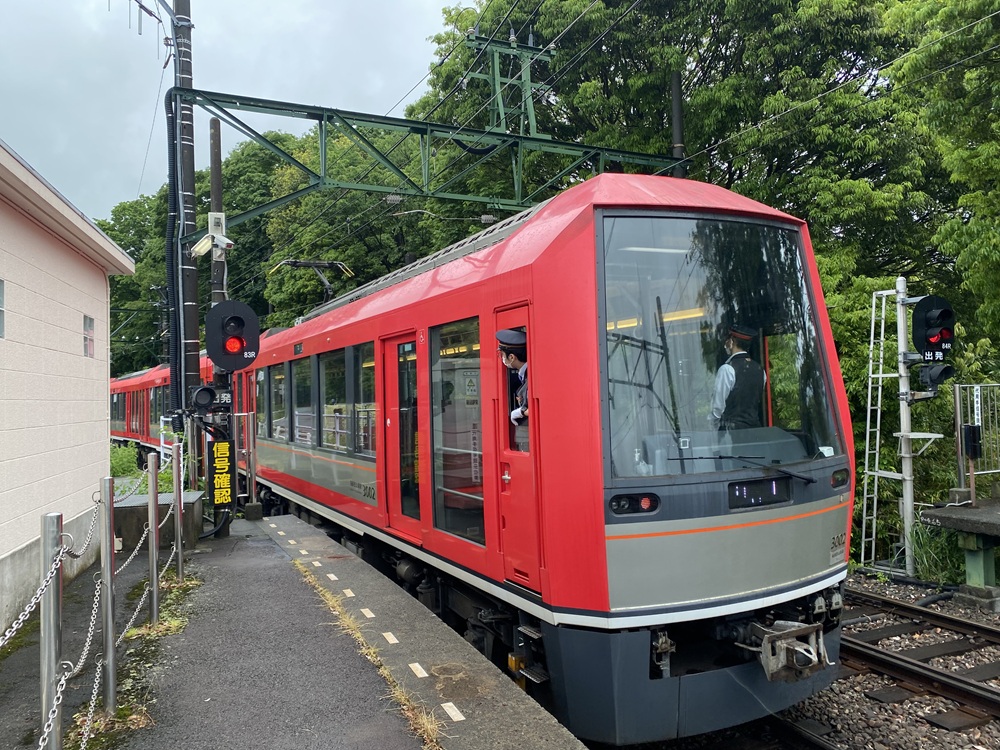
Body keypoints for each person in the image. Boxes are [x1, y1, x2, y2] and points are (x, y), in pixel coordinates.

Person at [710, 325, 765, 433]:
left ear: (731, 342)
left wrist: (713, 429)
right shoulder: (760, 370)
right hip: (755, 431)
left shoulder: (727, 369)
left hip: (733, 434)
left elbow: (717, 409)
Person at [497, 329, 528, 426]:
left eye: (501, 355)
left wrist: (520, 412)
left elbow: (538, 408)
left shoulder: (531, 376)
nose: (501, 358)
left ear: (511, 357)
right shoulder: (525, 374)